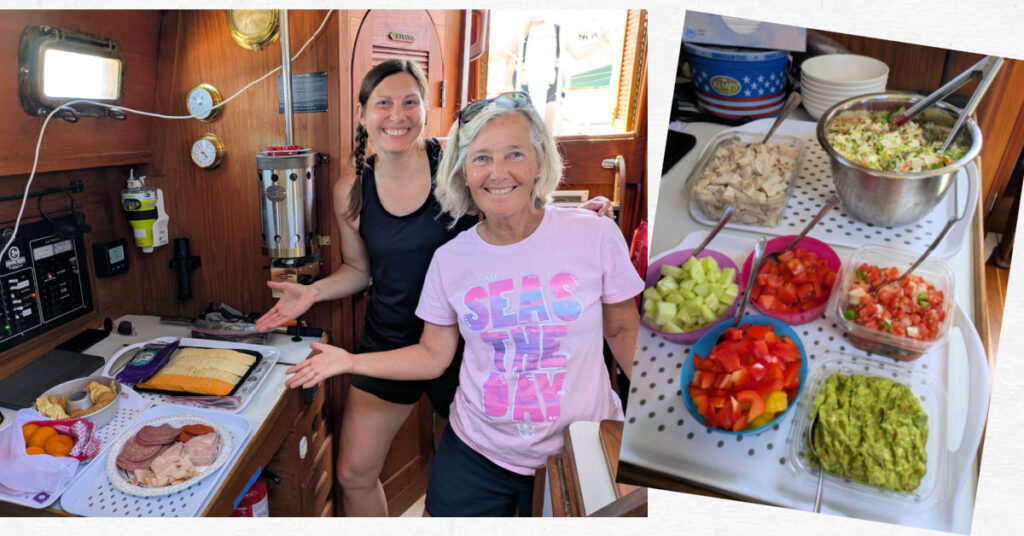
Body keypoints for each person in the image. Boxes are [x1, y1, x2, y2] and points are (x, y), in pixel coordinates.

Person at [256, 61, 611, 517]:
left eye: (410, 102)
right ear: (363, 114)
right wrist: (314, 292)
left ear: (426, 110)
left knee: (464, 465)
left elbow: (516, 199)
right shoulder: (352, 189)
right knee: (352, 474)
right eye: (383, 103)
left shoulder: (459, 165)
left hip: (469, 345)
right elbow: (358, 270)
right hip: (390, 341)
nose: (397, 115)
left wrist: (581, 212)